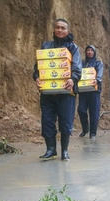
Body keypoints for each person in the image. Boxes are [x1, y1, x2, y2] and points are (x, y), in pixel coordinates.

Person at [32, 18, 82, 161]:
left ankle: (64, 151)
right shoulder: (46, 46)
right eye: (57, 27)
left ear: (68, 31)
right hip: (47, 92)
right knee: (47, 120)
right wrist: (37, 77)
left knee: (65, 121)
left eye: (63, 28)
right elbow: (38, 67)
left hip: (67, 92)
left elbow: (77, 67)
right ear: (53, 30)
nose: (60, 30)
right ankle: (51, 150)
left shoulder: (73, 48)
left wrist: (73, 79)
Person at [77, 45, 104, 139]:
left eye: (91, 50)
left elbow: (100, 73)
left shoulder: (98, 63)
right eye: (88, 50)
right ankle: (85, 129)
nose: (89, 52)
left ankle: (93, 133)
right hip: (83, 91)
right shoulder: (82, 63)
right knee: (81, 110)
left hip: (94, 91)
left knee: (94, 112)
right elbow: (77, 72)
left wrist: (98, 79)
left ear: (94, 52)